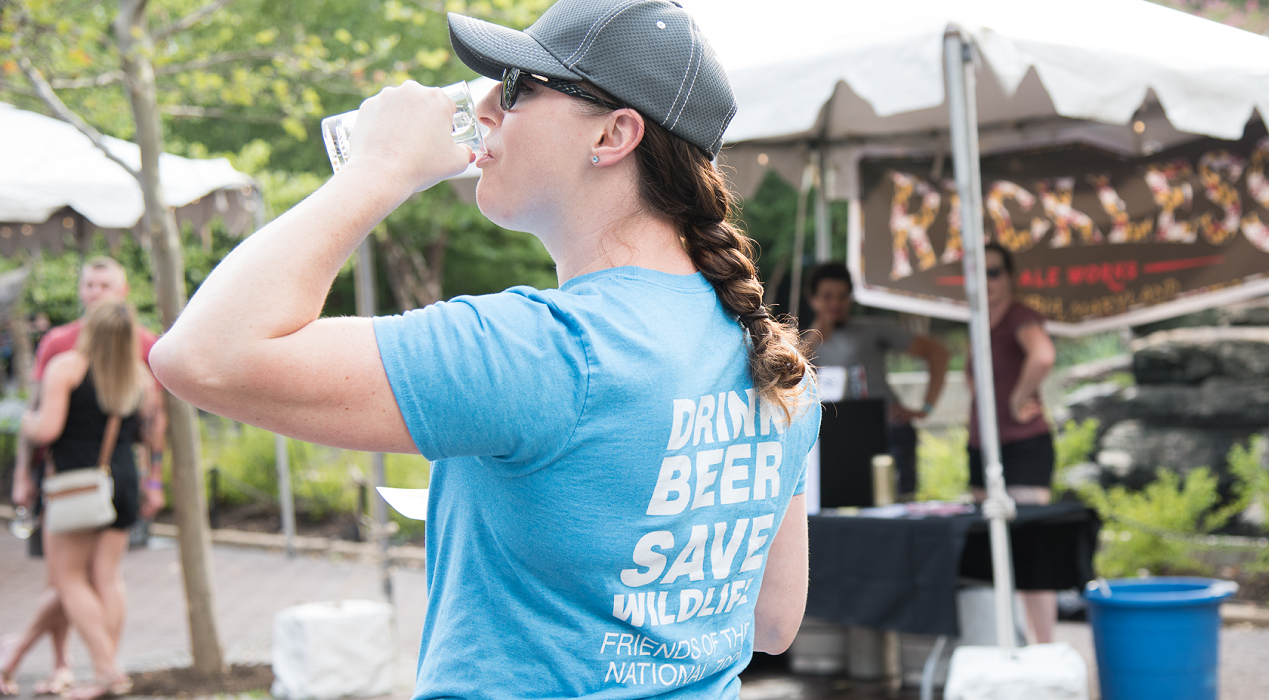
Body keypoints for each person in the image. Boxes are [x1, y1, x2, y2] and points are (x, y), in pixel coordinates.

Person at [150, 1, 818, 698]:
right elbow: (771, 622)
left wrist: (378, 169)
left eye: (517, 89)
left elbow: (201, 356)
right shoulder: (772, 362)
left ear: (615, 134)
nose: (485, 108)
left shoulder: (538, 350)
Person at [3, 258, 165, 697]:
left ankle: (106, 671)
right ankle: (24, 659)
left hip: (75, 485)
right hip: (123, 483)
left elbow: (49, 429)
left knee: (68, 580)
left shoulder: (67, 366)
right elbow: (152, 431)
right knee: (107, 578)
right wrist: (156, 481)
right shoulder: (139, 375)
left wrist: (28, 422)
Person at [965, 242, 1058, 644]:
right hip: (983, 448)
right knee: (992, 552)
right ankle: (1010, 645)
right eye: (979, 272)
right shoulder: (978, 320)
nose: (987, 281)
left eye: (995, 271)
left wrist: (1019, 398)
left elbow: (1043, 355)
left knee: (1031, 552)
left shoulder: (1020, 316)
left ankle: (1045, 647)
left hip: (1022, 447)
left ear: (1010, 276)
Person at [802, 262, 950, 499]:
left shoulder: (873, 330)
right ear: (813, 300)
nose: (835, 303)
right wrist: (817, 332)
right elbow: (786, 376)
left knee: (898, 503)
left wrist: (925, 408)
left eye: (842, 296)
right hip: (835, 437)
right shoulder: (804, 343)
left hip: (887, 431)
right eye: (827, 296)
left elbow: (938, 353)